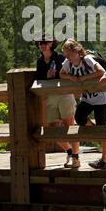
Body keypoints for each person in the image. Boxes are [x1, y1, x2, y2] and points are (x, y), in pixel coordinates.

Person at [60, 39, 106, 170]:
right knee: (79, 118)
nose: (68, 58)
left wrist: (83, 78)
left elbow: (101, 71)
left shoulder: (87, 60)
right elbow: (61, 74)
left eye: (69, 55)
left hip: (100, 98)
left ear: (77, 51)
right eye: (66, 55)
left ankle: (105, 160)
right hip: (87, 98)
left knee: (102, 128)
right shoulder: (68, 63)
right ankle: (95, 131)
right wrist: (70, 77)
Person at [35, 35, 80, 168]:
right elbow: (39, 79)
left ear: (51, 43)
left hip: (64, 95)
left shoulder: (60, 57)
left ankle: (76, 157)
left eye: (45, 42)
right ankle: (70, 151)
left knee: (70, 128)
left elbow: (67, 73)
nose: (42, 44)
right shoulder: (40, 61)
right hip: (50, 97)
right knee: (53, 131)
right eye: (40, 42)